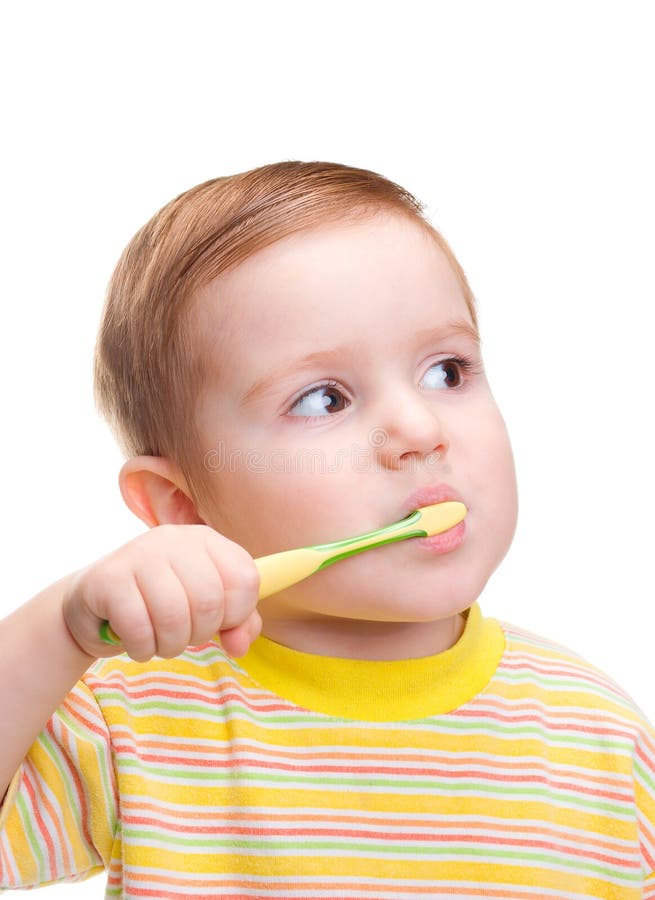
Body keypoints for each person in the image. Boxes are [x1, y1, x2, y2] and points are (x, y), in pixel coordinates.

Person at [1, 161, 654, 899]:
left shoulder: (600, 736)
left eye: (446, 371)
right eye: (322, 399)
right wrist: (61, 630)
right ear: (182, 507)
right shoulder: (132, 718)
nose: (418, 428)